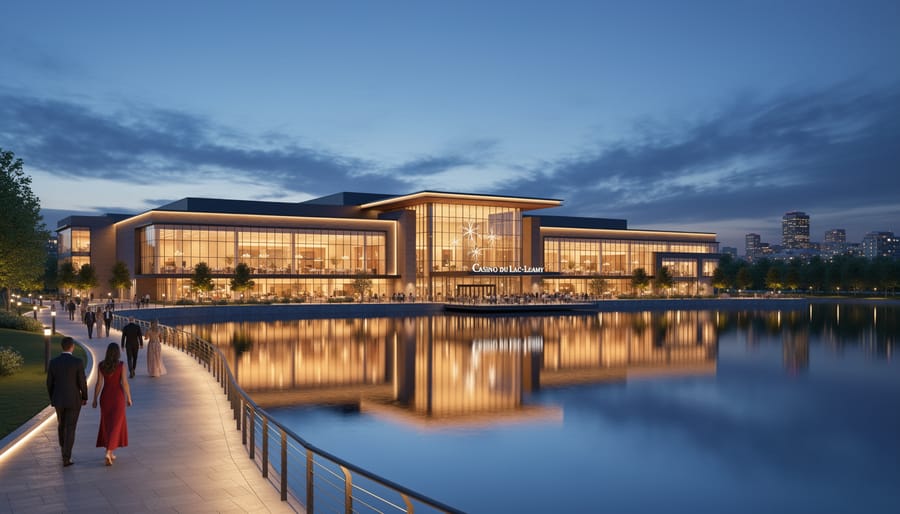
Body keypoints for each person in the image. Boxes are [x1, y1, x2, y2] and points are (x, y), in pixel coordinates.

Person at [46, 336, 88, 467]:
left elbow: (49, 383)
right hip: (74, 399)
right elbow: (82, 382)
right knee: (70, 428)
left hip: (58, 399)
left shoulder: (53, 362)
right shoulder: (77, 362)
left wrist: (53, 397)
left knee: (61, 424)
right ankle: (66, 457)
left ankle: (63, 449)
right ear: (72, 347)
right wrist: (84, 397)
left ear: (62, 347)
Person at [92, 343, 132, 466]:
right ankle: (109, 451)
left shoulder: (101, 365)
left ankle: (109, 451)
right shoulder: (121, 365)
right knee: (116, 425)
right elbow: (125, 383)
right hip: (118, 397)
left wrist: (95, 398)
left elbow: (99, 383)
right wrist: (129, 398)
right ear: (118, 353)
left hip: (105, 397)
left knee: (108, 424)